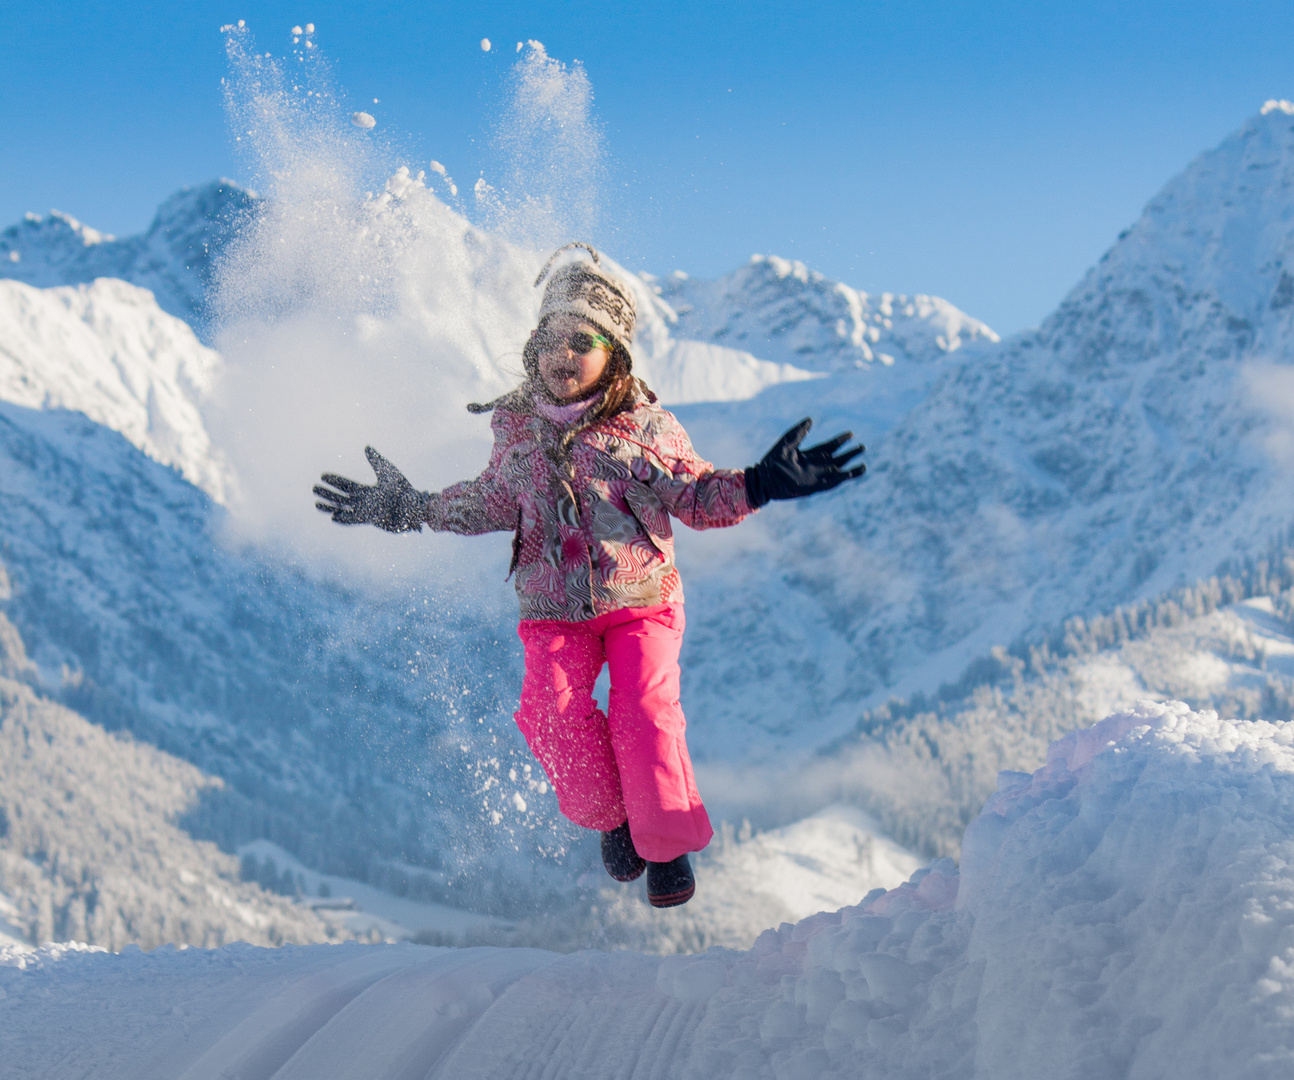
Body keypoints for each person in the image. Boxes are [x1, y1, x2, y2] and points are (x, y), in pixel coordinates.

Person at [313, 243, 865, 907]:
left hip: (641, 605)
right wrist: (413, 508)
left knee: (645, 714)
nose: (563, 353)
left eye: (584, 339)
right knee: (550, 715)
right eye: (551, 337)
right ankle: (615, 819)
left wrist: (759, 483)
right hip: (552, 611)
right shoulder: (517, 429)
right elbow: (492, 500)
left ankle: (666, 844)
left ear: (616, 354)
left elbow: (695, 498)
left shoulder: (644, 427)